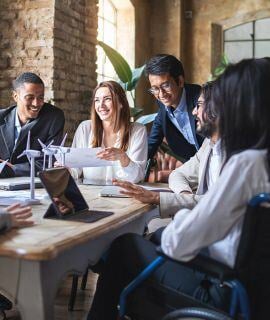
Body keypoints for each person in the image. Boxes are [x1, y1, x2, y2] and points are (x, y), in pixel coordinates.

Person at [87, 58, 270, 320]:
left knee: (125, 247)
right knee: (135, 282)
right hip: (251, 292)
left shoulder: (246, 163)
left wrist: (184, 218)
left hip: (221, 288)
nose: (197, 111)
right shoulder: (256, 158)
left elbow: (179, 244)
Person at [115, 82, 221, 219]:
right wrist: (184, 195)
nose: (194, 112)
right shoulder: (209, 145)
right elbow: (177, 175)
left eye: (199, 105)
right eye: (154, 88)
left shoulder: (239, 156)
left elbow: (217, 204)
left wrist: (156, 197)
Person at [71, 81, 148, 185]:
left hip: (123, 197)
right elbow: (75, 170)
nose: (101, 105)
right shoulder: (85, 128)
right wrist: (65, 169)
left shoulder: (138, 131)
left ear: (121, 103)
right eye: (97, 100)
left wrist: (123, 157)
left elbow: (137, 177)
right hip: (90, 195)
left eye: (107, 99)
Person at [0, 72, 65, 178]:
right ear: (15, 96)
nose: (36, 103)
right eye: (29, 97)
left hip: (33, 184)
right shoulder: (1, 118)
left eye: (40, 97)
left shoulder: (53, 117)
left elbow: (49, 160)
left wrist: (13, 169)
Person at [146, 54, 204, 161]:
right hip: (195, 163)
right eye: (155, 88)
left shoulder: (201, 100)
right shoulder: (164, 106)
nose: (161, 94)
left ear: (180, 81)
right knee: (175, 177)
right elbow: (152, 143)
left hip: (216, 160)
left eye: (166, 85)